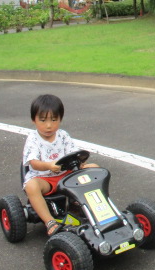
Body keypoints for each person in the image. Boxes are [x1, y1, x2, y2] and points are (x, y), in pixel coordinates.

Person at [22, 94, 98, 236]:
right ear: (34, 120)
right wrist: (49, 165)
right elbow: (33, 163)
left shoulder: (63, 136)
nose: (49, 125)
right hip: (45, 179)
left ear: (60, 119)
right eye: (43, 120)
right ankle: (50, 221)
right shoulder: (33, 139)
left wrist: (81, 162)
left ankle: (98, 209)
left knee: (95, 169)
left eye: (54, 120)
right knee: (31, 186)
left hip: (66, 175)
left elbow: (73, 153)